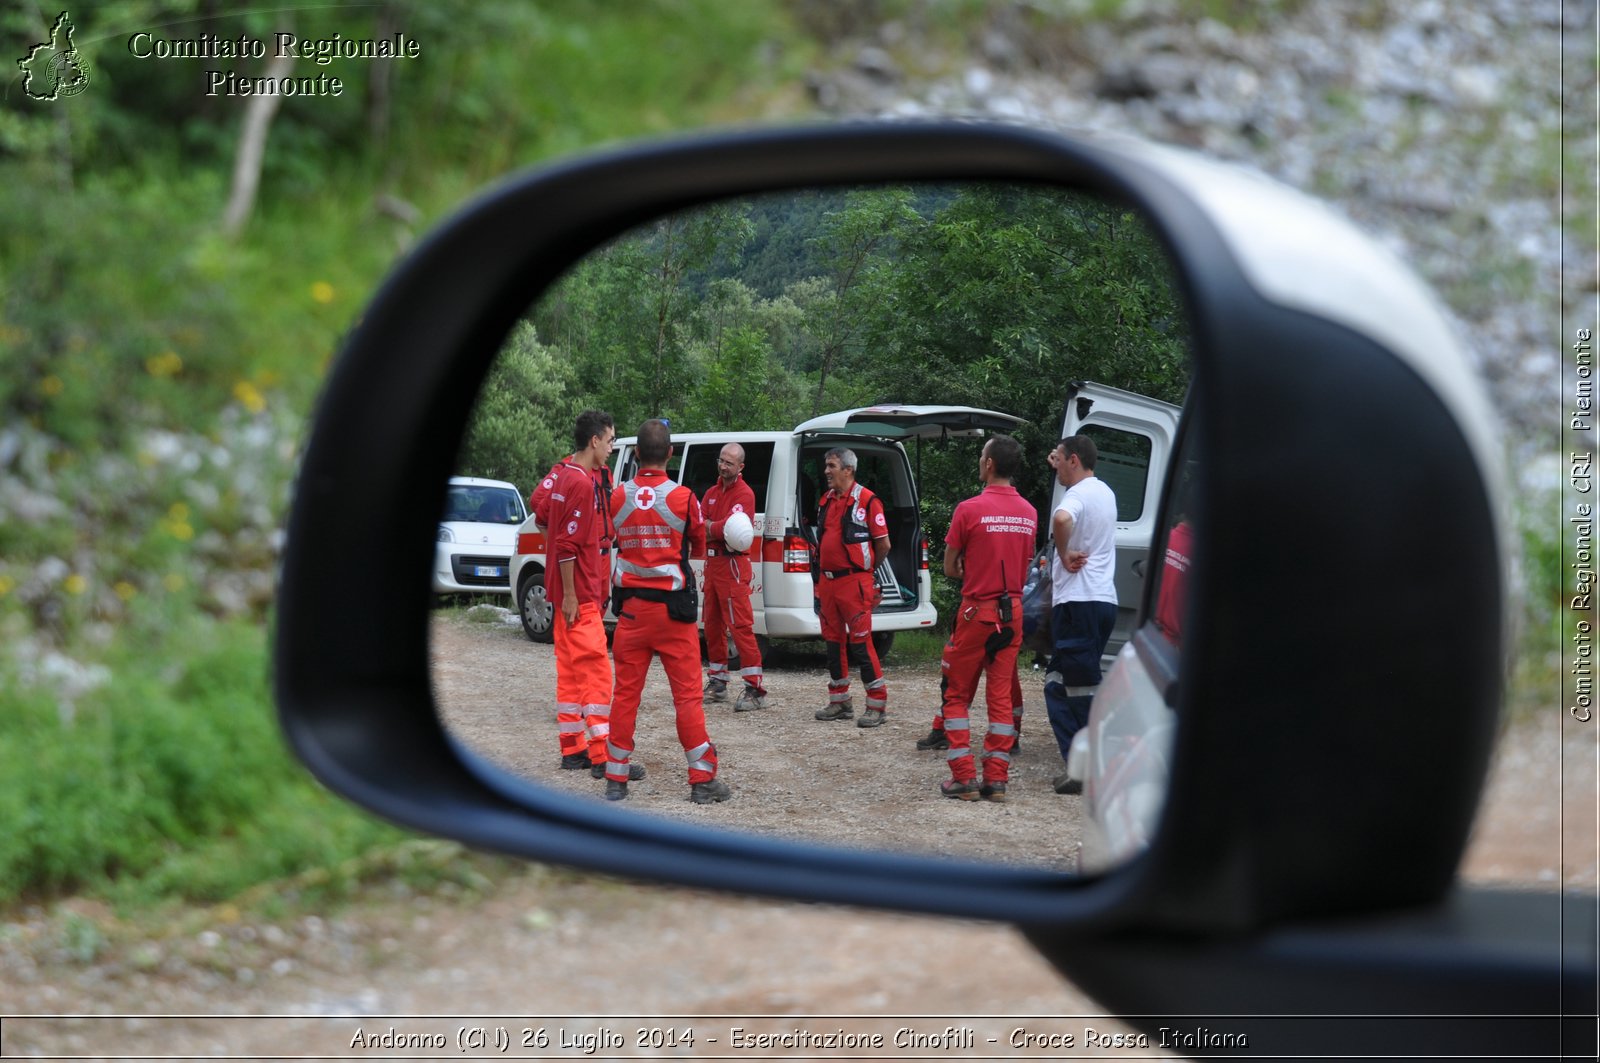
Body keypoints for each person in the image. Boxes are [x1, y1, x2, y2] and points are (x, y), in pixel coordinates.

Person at [606, 419, 733, 804]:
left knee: (625, 696)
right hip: (673, 616)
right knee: (688, 699)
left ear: (638, 454)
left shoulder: (617, 497)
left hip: (631, 615)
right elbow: (697, 543)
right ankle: (702, 780)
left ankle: (615, 779)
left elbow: (613, 537)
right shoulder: (684, 498)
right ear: (671, 454)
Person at [931, 436, 1038, 802]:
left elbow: (949, 566)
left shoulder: (969, 509)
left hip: (978, 611)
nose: (980, 461)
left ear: (989, 464)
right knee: (1001, 697)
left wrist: (972, 568)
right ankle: (996, 780)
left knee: (957, 695)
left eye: (981, 456)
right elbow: (1023, 567)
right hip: (1013, 613)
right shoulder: (1029, 512)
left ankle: (963, 777)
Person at [547, 410, 622, 777]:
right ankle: (601, 755)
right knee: (595, 674)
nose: (611, 448)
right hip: (580, 597)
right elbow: (566, 545)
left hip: (563, 596)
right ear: (595, 440)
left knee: (571, 673)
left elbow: (547, 515)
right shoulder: (579, 482)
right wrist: (573, 595)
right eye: (610, 440)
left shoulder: (563, 475)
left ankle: (572, 748)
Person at [1043, 435, 1118, 795]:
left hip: (1079, 602)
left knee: (1070, 686)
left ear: (1074, 460)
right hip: (1104, 601)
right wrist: (1055, 458)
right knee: (1069, 682)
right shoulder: (1105, 491)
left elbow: (1060, 519)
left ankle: (1088, 767)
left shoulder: (1076, 495)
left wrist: (1065, 551)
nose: (1055, 465)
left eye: (1060, 460)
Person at [811, 447, 890, 727]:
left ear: (848, 470)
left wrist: (865, 572)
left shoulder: (868, 501)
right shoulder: (827, 500)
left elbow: (883, 545)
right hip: (829, 583)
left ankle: (876, 705)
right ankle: (840, 701)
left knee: (860, 644)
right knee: (833, 642)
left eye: (831, 466)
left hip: (854, 582)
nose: (826, 471)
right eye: (826, 465)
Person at [701, 442, 768, 711]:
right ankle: (718, 683)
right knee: (712, 625)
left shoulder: (745, 494)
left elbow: (730, 530)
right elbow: (701, 527)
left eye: (729, 462)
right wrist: (713, 528)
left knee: (740, 627)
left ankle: (755, 689)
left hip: (732, 566)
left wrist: (711, 527)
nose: (723, 466)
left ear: (740, 467)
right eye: (721, 460)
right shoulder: (711, 492)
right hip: (713, 565)